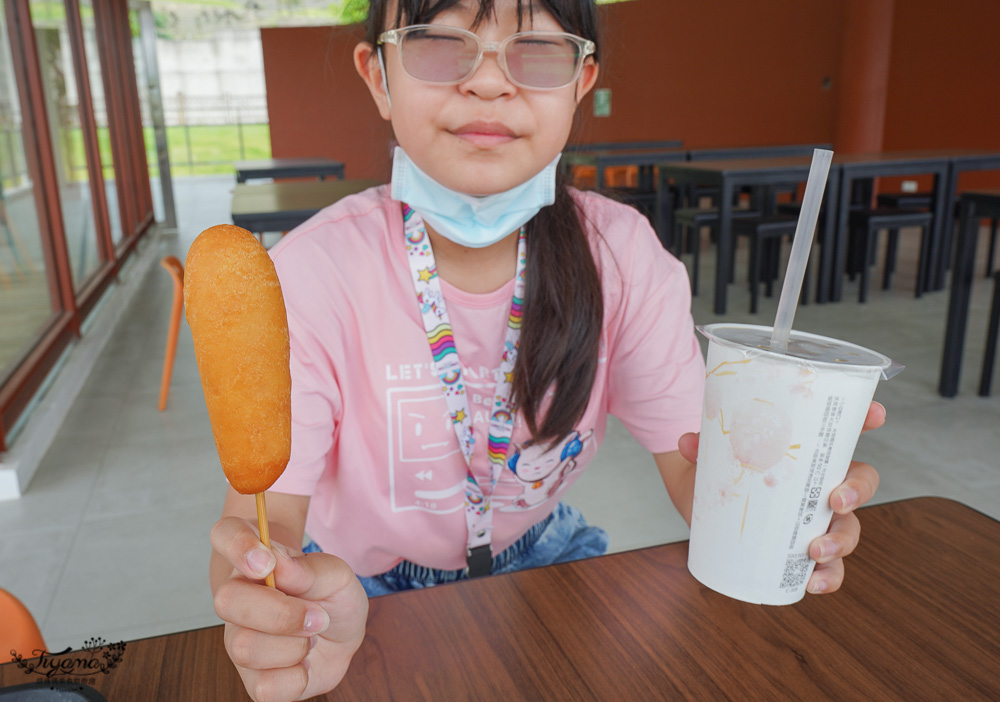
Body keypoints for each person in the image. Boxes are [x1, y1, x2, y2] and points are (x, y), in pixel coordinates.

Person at [208, 1, 886, 700]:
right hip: (356, 577)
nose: (490, 83)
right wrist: (275, 596)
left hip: (545, 553)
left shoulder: (622, 258)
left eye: (535, 51)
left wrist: (779, 491)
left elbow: (700, 474)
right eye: (440, 45)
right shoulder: (309, 274)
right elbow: (265, 517)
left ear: (582, 82)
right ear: (378, 77)